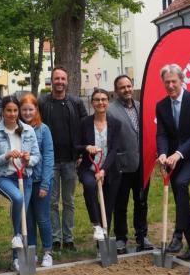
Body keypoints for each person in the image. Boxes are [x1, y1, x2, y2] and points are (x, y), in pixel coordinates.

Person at [155, 64, 190, 260]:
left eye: (174, 82)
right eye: (167, 82)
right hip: (171, 158)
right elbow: (161, 133)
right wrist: (162, 153)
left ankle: (178, 234)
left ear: (182, 80)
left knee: (181, 184)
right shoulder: (161, 105)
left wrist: (179, 153)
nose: (170, 86)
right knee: (180, 198)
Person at [0, 95, 41, 271]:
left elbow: (37, 156)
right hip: (4, 177)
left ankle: (18, 258)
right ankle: (17, 235)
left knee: (24, 215)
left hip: (25, 176)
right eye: (8, 110)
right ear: (2, 111)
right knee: (18, 199)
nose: (12, 114)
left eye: (15, 110)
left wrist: (28, 158)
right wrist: (7, 155)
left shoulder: (28, 130)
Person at [38, 66, 88, 252]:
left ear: (67, 81)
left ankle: (68, 238)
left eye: (62, 79)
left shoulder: (75, 103)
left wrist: (82, 153)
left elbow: (84, 129)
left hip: (70, 160)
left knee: (69, 201)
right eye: (56, 78)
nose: (59, 82)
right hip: (49, 162)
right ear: (51, 81)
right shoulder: (42, 102)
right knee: (51, 202)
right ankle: (55, 238)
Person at [108, 75, 154, 254]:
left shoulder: (141, 107)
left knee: (141, 202)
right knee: (120, 204)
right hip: (122, 166)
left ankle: (142, 236)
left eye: (128, 86)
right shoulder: (111, 111)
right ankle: (121, 238)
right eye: (122, 87)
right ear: (116, 90)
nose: (126, 90)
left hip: (143, 165)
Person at [77, 88, 123, 241]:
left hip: (109, 170)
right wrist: (86, 147)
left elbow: (114, 150)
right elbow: (76, 145)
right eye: (97, 99)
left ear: (108, 103)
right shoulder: (84, 123)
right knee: (89, 186)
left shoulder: (116, 124)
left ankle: (102, 244)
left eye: (104, 99)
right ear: (92, 103)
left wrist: (103, 170)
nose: (100, 102)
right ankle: (96, 223)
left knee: (108, 208)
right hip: (89, 168)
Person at [19, 94, 55, 268]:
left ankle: (48, 251)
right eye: (24, 109)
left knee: (42, 218)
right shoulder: (17, 129)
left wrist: (45, 183)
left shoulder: (43, 129)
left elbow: (48, 157)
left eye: (30, 109)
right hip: (23, 181)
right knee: (28, 218)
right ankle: (31, 251)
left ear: (36, 110)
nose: (27, 112)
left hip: (40, 180)